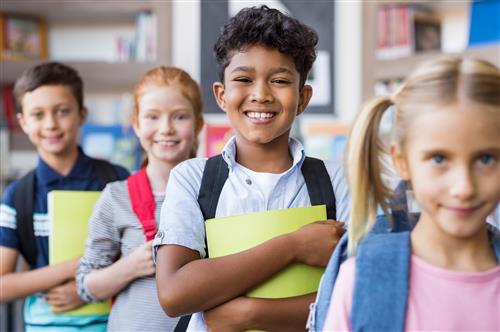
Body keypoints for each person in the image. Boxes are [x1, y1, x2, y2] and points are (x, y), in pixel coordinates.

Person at [154, 5, 350, 331]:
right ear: (221, 95)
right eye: (244, 79)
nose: (260, 95)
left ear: (302, 98)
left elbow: (353, 294)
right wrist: (293, 246)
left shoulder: (337, 180)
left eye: (280, 80)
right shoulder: (193, 178)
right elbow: (175, 293)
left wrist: (247, 314)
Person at [324, 56, 500, 331]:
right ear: (402, 161)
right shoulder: (362, 283)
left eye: (486, 159)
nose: (464, 188)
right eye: (439, 159)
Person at [0, 62, 129, 331]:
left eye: (62, 111)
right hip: (44, 324)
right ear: (23, 122)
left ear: (82, 114)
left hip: (114, 322)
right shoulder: (18, 195)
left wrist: (85, 288)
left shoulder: (117, 180)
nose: (51, 124)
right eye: (38, 114)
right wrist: (75, 267)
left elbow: (139, 255)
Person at [75, 66, 204, 331]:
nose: (166, 129)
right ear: (136, 124)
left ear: (198, 124)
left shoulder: (218, 192)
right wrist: (130, 267)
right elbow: (86, 286)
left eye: (179, 117)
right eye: (152, 117)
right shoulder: (115, 197)